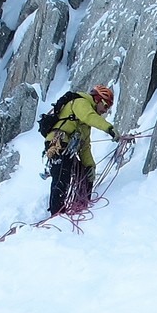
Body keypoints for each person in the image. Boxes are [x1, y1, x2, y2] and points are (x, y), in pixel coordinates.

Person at [44, 85, 119, 215]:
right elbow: (89, 116)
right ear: (98, 100)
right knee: (62, 176)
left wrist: (90, 166)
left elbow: (85, 147)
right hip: (58, 143)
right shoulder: (81, 102)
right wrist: (109, 128)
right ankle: (57, 213)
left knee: (83, 173)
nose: (105, 111)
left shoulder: (84, 125)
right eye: (105, 106)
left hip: (64, 145)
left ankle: (82, 204)